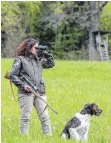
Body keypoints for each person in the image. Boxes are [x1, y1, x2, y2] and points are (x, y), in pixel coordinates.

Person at [10, 38, 55, 136]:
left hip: (40, 92)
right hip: (26, 93)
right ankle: (24, 139)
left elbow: (51, 64)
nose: (37, 49)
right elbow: (12, 75)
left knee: (45, 117)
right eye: (35, 47)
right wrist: (22, 85)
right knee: (26, 117)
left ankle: (49, 138)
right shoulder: (20, 60)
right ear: (28, 47)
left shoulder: (39, 60)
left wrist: (47, 54)